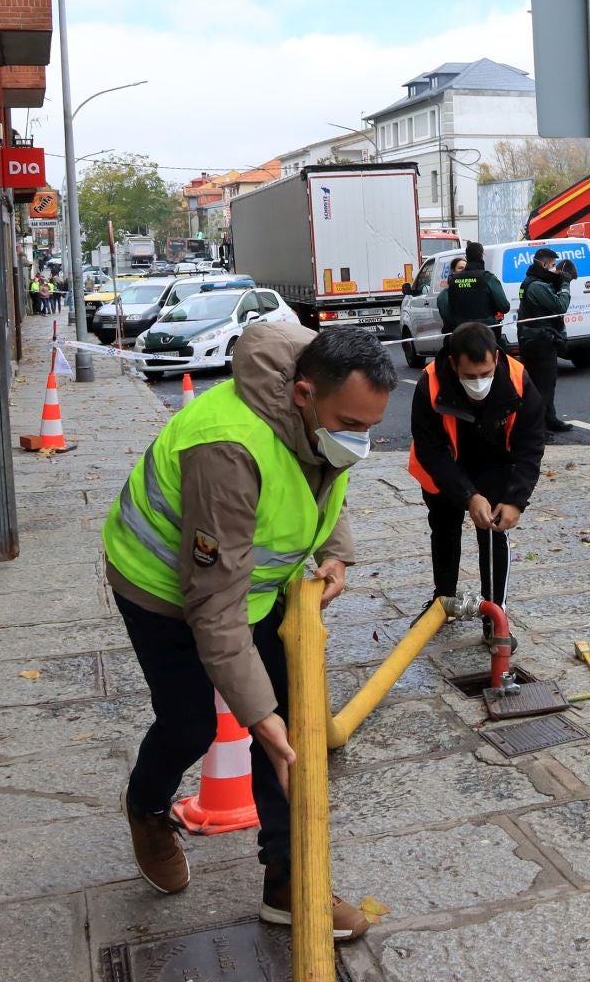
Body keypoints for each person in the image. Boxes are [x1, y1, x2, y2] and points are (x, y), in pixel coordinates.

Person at [105, 322, 395, 943]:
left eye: (369, 427)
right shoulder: (229, 450)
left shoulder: (326, 414)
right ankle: (148, 807)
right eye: (349, 423)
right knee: (192, 723)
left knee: (291, 734)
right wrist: (258, 716)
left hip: (253, 589)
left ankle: (288, 882)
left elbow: (325, 486)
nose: (359, 441)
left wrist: (336, 550)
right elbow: (213, 605)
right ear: (303, 394)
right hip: (158, 586)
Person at [408, 322, 547, 626]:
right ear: (453, 363)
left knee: (494, 533)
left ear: (496, 359)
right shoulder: (430, 382)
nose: (479, 382)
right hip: (445, 464)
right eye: (470, 376)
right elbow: (429, 448)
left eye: (485, 374)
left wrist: (515, 500)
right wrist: (468, 496)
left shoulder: (517, 379)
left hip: (495, 461)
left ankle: (495, 617)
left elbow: (530, 444)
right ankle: (442, 602)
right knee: (444, 529)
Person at [516, 247, 574, 434]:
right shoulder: (537, 286)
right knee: (542, 385)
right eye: (552, 264)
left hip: (536, 339)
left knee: (548, 383)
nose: (554, 268)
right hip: (538, 341)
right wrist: (565, 285)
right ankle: (538, 428)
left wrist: (557, 281)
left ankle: (550, 419)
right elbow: (559, 306)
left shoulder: (534, 282)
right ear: (543, 264)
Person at [437, 241, 509, 335]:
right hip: (485, 333)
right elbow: (505, 307)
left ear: (466, 258)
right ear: (482, 256)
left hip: (461, 333)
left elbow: (448, 312)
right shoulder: (488, 278)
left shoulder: (453, 280)